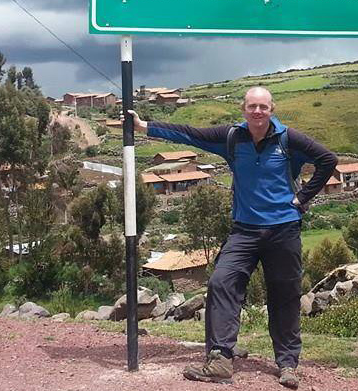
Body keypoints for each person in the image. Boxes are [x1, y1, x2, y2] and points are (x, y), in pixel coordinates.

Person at [128, 86, 336, 389]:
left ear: (272, 110)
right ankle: (221, 359)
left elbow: (327, 160)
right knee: (220, 282)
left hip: (284, 229)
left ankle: (288, 364)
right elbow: (189, 133)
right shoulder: (231, 138)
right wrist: (144, 126)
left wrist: (302, 197)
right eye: (252, 106)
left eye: (263, 107)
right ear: (244, 109)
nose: (257, 112)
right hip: (244, 231)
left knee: (285, 296)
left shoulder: (289, 139)